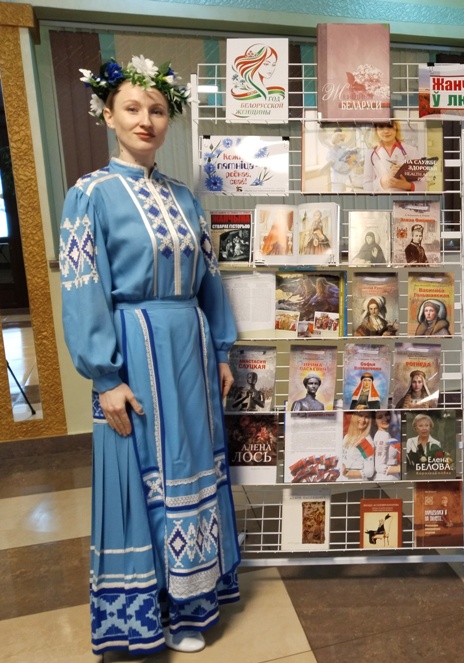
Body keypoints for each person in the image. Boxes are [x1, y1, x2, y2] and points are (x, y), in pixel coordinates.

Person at [60, 56, 240, 655]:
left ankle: (192, 605)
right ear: (108, 115)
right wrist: (104, 376)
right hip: (133, 352)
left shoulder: (186, 198)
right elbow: (83, 287)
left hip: (189, 351)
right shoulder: (89, 195)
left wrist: (220, 348)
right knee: (142, 476)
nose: (146, 120)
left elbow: (208, 279)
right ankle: (147, 612)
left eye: (157, 110)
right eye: (132, 108)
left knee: (192, 469)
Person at [363, 120, 425, 192]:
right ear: (376, 130)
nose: (386, 131)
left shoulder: (411, 151)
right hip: (382, 198)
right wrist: (384, 180)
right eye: (381, 127)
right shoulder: (370, 154)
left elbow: (425, 183)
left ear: (396, 127)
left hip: (405, 198)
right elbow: (367, 187)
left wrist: (407, 185)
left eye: (390, 126)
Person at [338, 411, 375, 480]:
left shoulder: (366, 441)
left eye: (366, 417)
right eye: (360, 415)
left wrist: (347, 473)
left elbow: (369, 471)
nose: (363, 420)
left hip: (357, 483)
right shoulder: (347, 436)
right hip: (343, 481)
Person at [373, 410, 401, 481]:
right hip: (386, 479)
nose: (385, 419)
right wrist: (401, 468)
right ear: (375, 421)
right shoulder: (383, 436)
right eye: (380, 417)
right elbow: (379, 466)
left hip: (391, 478)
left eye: (386, 415)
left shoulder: (383, 435)